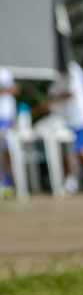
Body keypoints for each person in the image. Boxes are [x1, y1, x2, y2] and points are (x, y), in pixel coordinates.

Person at [37, 60, 83, 193]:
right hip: (66, 119)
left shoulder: (72, 70)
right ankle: (71, 181)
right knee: (68, 151)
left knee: (80, 149)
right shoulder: (61, 70)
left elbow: (70, 93)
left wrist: (51, 102)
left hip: (77, 118)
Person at [0, 67, 18, 198]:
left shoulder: (4, 72)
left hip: (6, 117)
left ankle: (6, 183)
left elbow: (15, 89)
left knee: (6, 150)